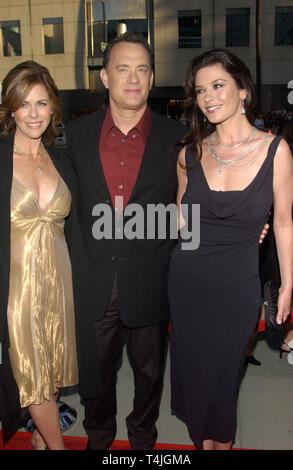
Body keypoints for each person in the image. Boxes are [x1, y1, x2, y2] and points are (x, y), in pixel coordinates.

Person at [63, 32, 187, 450]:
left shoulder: (179, 138)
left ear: (152, 79)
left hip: (151, 280)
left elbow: (203, 201)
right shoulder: (75, 135)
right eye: (122, 68)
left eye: (142, 70)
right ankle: (99, 438)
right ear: (104, 77)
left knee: (151, 373)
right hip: (93, 280)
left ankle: (142, 439)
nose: (132, 79)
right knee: (95, 374)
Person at [168, 49, 293, 450]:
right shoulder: (189, 153)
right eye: (200, 90)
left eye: (217, 85)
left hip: (237, 287)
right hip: (187, 283)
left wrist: (289, 284)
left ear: (242, 89)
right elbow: (181, 223)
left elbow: (286, 222)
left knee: (223, 379)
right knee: (196, 377)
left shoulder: (276, 152)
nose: (208, 97)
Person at [0, 61, 89, 450]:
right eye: (24, 105)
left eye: (41, 104)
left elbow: (90, 218)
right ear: (10, 109)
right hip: (16, 293)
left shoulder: (61, 160)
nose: (33, 114)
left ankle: (39, 437)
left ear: (53, 106)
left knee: (49, 379)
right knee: (33, 382)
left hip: (59, 286)